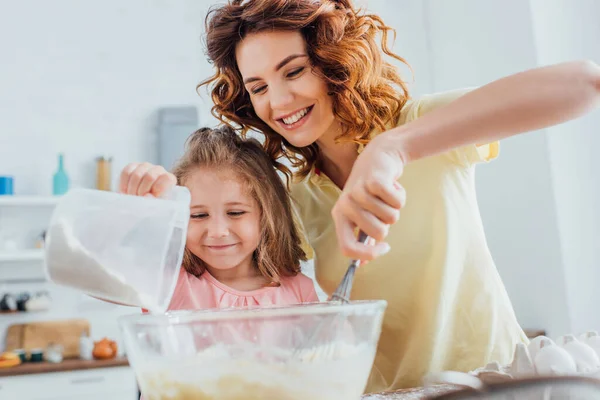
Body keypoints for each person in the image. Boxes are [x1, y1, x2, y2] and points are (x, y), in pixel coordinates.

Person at [123, 0, 600, 392]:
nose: (279, 101)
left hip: (487, 383)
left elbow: (583, 83)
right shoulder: (298, 196)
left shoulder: (420, 129)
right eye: (259, 87)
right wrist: (160, 214)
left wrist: (393, 149)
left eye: (294, 71)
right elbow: (213, 275)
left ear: (333, 62)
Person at [120, 125, 319, 312]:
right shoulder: (167, 284)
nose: (217, 231)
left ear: (267, 215)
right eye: (198, 215)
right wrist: (130, 210)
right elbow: (101, 278)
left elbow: (320, 347)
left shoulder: (300, 291)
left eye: (235, 213)